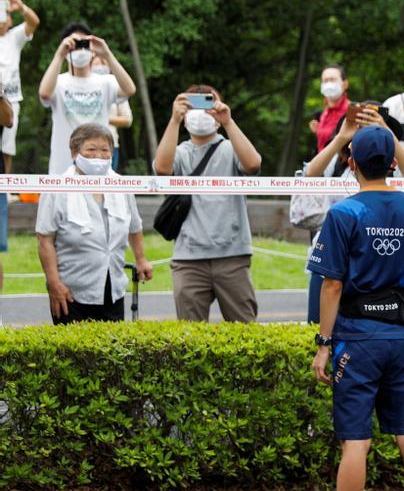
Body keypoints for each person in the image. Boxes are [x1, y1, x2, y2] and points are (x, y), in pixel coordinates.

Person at [304, 126, 404, 491]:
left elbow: (331, 282)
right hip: (403, 333)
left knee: (355, 442)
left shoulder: (344, 213)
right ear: (394, 162)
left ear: (351, 162)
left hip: (358, 336)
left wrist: (324, 343)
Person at [302, 102, 404, 324]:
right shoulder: (339, 163)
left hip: (374, 259)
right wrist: (342, 137)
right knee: (318, 324)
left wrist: (384, 132)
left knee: (368, 326)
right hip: (332, 257)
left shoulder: (387, 167)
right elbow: (310, 174)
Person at [153, 85, 261, 323]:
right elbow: (162, 169)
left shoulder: (230, 148)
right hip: (188, 259)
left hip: (232, 255)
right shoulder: (180, 152)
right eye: (193, 106)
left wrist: (229, 122)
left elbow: (253, 164)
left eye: (208, 105)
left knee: (244, 331)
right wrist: (174, 120)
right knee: (190, 339)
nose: (201, 113)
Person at [35, 124, 152, 322]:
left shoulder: (122, 185)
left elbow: (134, 226)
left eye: (105, 150)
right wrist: (53, 283)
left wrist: (141, 259)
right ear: (74, 152)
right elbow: (44, 239)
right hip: (71, 292)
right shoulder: (57, 187)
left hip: (113, 287)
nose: (98, 156)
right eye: (91, 149)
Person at [38, 23, 135, 175]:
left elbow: (129, 89)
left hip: (97, 165)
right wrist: (59, 55)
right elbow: (44, 93)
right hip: (62, 166)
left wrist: (106, 54)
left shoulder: (105, 82)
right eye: (74, 44)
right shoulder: (58, 82)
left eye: (84, 43)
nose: (79, 50)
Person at [0, 0, 41, 302]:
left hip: (8, 98)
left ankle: (8, 185)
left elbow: (34, 21)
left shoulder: (14, 37)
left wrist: (19, 6)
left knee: (8, 145)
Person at [90, 53, 133, 171]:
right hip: (85, 146)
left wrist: (103, 118)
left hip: (109, 146)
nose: (100, 67)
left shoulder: (115, 88)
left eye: (103, 64)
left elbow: (128, 120)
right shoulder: (82, 88)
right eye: (96, 64)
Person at [309, 64, 350, 157]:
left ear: (345, 84)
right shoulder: (323, 113)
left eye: (332, 80)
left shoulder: (352, 110)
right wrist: (318, 131)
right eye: (325, 80)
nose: (328, 84)